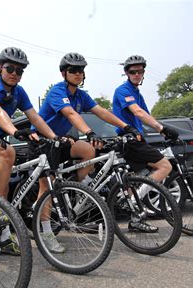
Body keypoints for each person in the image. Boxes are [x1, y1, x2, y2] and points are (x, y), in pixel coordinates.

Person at [34, 52, 137, 252]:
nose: (78, 74)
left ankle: (76, 190)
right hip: (43, 140)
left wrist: (126, 127)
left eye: (81, 70)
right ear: (64, 73)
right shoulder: (58, 91)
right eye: (73, 70)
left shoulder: (81, 95)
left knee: (88, 150)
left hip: (62, 140)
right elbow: (71, 114)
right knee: (47, 186)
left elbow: (102, 112)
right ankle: (45, 232)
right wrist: (89, 132)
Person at [0, 47, 59, 255]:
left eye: (19, 70)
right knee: (8, 153)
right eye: (10, 68)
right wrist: (15, 131)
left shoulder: (19, 92)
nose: (15, 73)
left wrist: (54, 137)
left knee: (4, 184)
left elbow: (35, 117)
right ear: (0, 67)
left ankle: (4, 239)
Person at [112, 54, 179, 232]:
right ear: (126, 73)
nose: (137, 75)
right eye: (133, 72)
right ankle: (133, 202)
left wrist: (162, 128)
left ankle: (135, 220)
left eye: (140, 71)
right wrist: (161, 129)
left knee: (133, 183)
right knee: (165, 166)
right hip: (130, 142)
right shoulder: (123, 91)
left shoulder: (136, 93)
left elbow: (146, 117)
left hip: (137, 140)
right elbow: (138, 113)